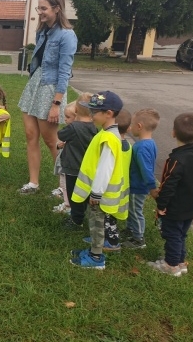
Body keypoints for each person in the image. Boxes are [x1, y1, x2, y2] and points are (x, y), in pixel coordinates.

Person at [17, 0, 77, 194]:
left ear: (57, 8)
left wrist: (57, 103)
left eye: (44, 8)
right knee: (30, 134)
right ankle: (33, 183)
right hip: (35, 85)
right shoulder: (42, 31)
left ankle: (65, 186)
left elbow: (64, 71)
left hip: (51, 90)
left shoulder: (67, 35)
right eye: (39, 7)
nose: (40, 12)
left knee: (52, 141)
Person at [69, 91, 128, 269]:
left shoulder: (108, 137)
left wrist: (96, 192)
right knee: (95, 224)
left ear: (108, 114)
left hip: (100, 195)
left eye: (95, 112)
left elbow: (105, 168)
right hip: (101, 194)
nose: (92, 115)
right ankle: (94, 251)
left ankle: (96, 258)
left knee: (96, 225)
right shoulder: (108, 133)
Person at [147, 112, 193, 276]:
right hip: (190, 206)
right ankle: (179, 262)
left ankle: (170, 266)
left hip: (175, 208)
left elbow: (169, 184)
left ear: (173, 133)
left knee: (172, 235)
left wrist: (161, 204)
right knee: (181, 235)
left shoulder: (177, 160)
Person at [56, 93, 97, 226]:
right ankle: (87, 214)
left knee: (74, 196)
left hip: (72, 167)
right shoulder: (94, 127)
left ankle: (76, 220)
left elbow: (61, 134)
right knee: (84, 192)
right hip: (86, 168)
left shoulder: (74, 127)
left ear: (77, 111)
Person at [122, 108, 160, 249]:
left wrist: (152, 187)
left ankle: (138, 239)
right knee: (132, 209)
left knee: (135, 211)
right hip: (138, 185)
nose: (130, 127)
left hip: (138, 186)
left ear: (139, 126)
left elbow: (146, 169)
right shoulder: (151, 143)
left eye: (132, 124)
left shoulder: (141, 147)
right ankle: (130, 230)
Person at [51, 101, 77, 214]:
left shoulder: (75, 131)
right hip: (64, 161)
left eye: (68, 117)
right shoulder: (70, 130)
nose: (65, 119)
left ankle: (68, 206)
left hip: (70, 165)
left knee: (67, 185)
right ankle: (68, 204)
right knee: (64, 184)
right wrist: (59, 145)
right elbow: (59, 141)